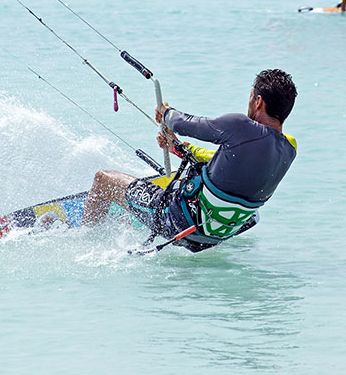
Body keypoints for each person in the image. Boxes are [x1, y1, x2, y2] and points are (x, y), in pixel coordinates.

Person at [81, 69, 298, 252]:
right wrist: (178, 148)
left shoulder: (240, 126)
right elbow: (223, 160)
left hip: (177, 221)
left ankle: (84, 239)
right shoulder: (289, 149)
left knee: (103, 179)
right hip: (214, 236)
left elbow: (183, 124)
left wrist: (166, 113)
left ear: (258, 101)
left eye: (251, 97)